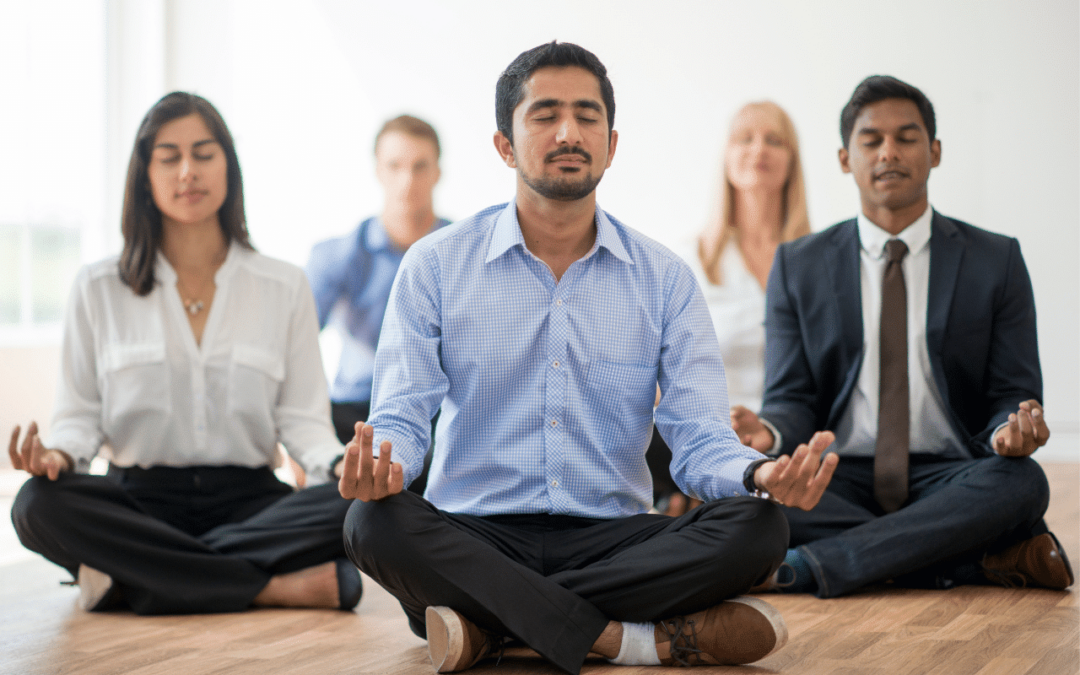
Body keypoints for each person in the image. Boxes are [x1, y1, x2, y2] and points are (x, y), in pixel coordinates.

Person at [337, 41, 838, 675]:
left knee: (760, 528)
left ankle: (493, 628)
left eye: (587, 115)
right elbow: (403, 417)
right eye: (544, 114)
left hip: (612, 539)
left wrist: (759, 474)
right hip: (473, 534)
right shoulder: (435, 266)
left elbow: (699, 436)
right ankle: (625, 640)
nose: (569, 132)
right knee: (370, 524)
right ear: (505, 145)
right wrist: (386, 469)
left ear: (611, 143)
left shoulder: (664, 278)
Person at [8, 92, 361, 615]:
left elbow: (302, 420)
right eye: (169, 157)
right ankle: (271, 587)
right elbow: (78, 415)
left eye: (203, 153)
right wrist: (57, 456)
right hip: (138, 503)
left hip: (251, 502)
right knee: (37, 506)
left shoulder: (283, 285)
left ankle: (133, 580)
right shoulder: (98, 287)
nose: (188, 171)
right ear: (145, 174)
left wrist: (339, 464)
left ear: (228, 165)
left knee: (364, 506)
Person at [733, 75, 1073, 598]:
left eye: (907, 137)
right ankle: (968, 561)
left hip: (951, 474)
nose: (889, 152)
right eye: (871, 140)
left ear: (934, 152)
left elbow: (1014, 389)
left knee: (1023, 482)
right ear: (846, 158)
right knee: (745, 502)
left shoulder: (995, 260)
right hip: (837, 477)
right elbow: (792, 398)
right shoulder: (798, 266)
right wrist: (770, 435)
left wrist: (1011, 430)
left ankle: (812, 566)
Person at [650, 101, 811, 515]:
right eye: (745, 138)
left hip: (791, 438)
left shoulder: (821, 262)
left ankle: (709, 516)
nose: (759, 149)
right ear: (726, 157)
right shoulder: (686, 262)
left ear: (792, 160)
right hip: (707, 439)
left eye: (774, 140)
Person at [306, 115, 449, 447]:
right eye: (395, 165)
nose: (407, 180)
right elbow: (294, 346)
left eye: (420, 166)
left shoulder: (465, 253)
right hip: (353, 411)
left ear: (438, 173)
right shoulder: (338, 255)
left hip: (436, 413)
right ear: (377, 170)